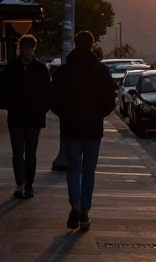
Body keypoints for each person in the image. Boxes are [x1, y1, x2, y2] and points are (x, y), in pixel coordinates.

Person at [50, 30, 117, 230]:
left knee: (73, 167)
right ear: (91, 45)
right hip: (93, 128)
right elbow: (109, 101)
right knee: (89, 170)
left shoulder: (64, 71)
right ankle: (85, 210)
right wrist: (99, 114)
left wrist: (64, 114)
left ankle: (75, 203)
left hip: (70, 127)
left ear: (75, 45)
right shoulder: (101, 71)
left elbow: (53, 99)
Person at [0, 35, 51, 198]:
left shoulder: (40, 69)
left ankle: (29, 184)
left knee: (31, 152)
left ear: (34, 49)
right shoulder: (11, 68)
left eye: (30, 48)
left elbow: (47, 92)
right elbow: (3, 91)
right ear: (21, 48)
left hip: (34, 117)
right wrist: (8, 105)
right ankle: (20, 182)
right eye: (25, 48)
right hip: (16, 116)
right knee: (18, 151)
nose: (28, 52)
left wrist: (42, 109)